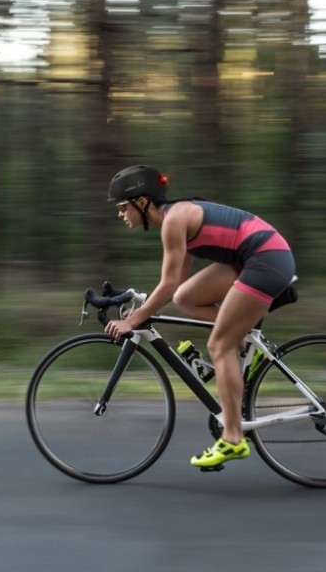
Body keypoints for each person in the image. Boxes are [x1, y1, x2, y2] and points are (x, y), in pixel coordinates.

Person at [104, 164, 296, 470]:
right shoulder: (177, 217)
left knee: (219, 346)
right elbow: (175, 286)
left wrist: (133, 320)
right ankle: (246, 348)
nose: (120, 214)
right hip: (253, 257)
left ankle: (233, 439)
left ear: (142, 202)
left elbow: (166, 283)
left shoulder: (173, 220)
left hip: (265, 258)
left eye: (123, 207)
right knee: (186, 298)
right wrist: (140, 304)